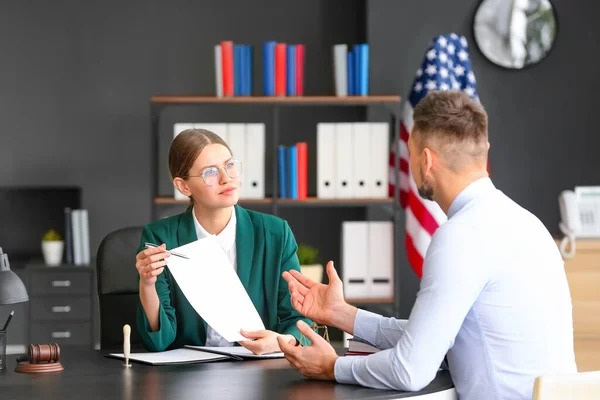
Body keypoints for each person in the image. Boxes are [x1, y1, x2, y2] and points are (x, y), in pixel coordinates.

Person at [276, 90, 577, 399]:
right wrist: (341, 314)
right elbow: (430, 335)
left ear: (426, 159)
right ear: (484, 150)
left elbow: (410, 368)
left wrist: (332, 367)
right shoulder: (526, 223)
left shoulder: (463, 235)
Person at [135, 129, 311, 354]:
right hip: (185, 375)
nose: (226, 178)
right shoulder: (161, 237)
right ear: (183, 186)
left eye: (229, 166)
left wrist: (280, 341)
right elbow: (160, 341)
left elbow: (297, 320)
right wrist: (147, 284)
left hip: (258, 370)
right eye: (210, 172)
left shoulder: (275, 233)